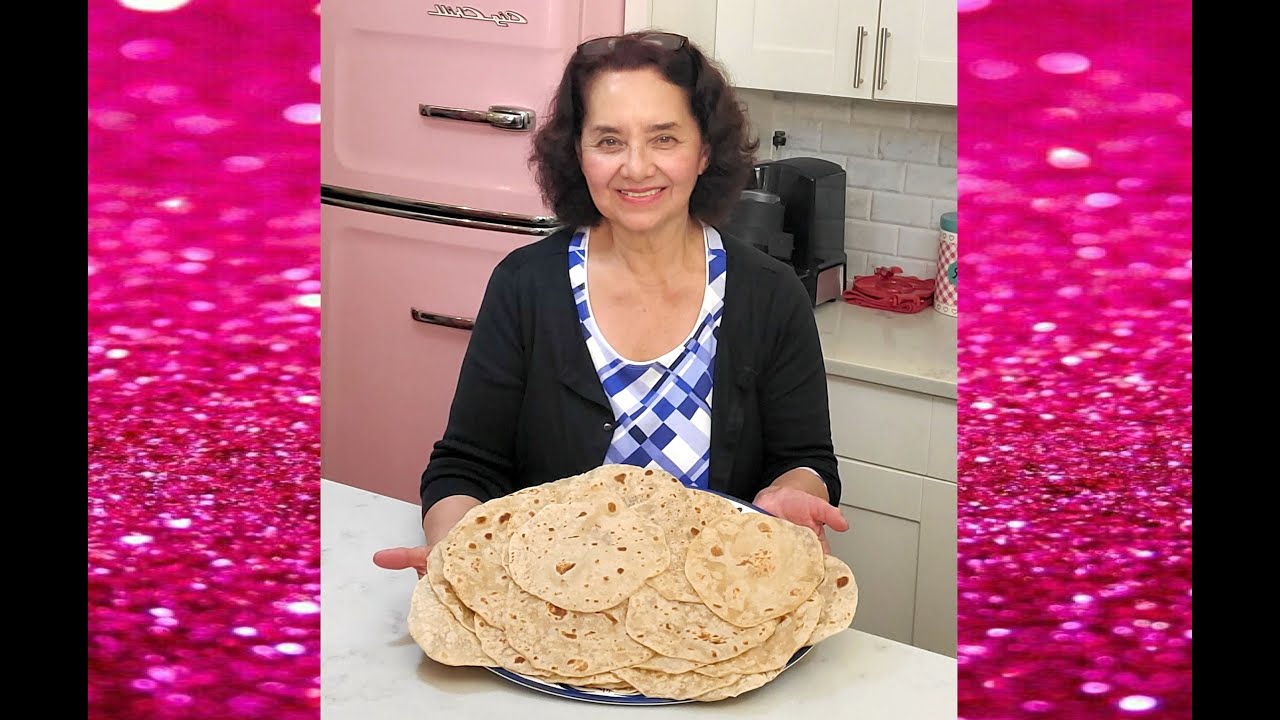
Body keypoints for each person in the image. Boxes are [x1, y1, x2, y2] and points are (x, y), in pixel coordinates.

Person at [373, 31, 848, 578]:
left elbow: (806, 460)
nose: (637, 167)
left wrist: (792, 493)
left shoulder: (770, 294)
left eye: (664, 138)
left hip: (715, 605)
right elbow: (465, 467)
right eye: (609, 141)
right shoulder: (526, 286)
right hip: (550, 605)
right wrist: (460, 552)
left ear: (704, 151)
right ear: (578, 154)